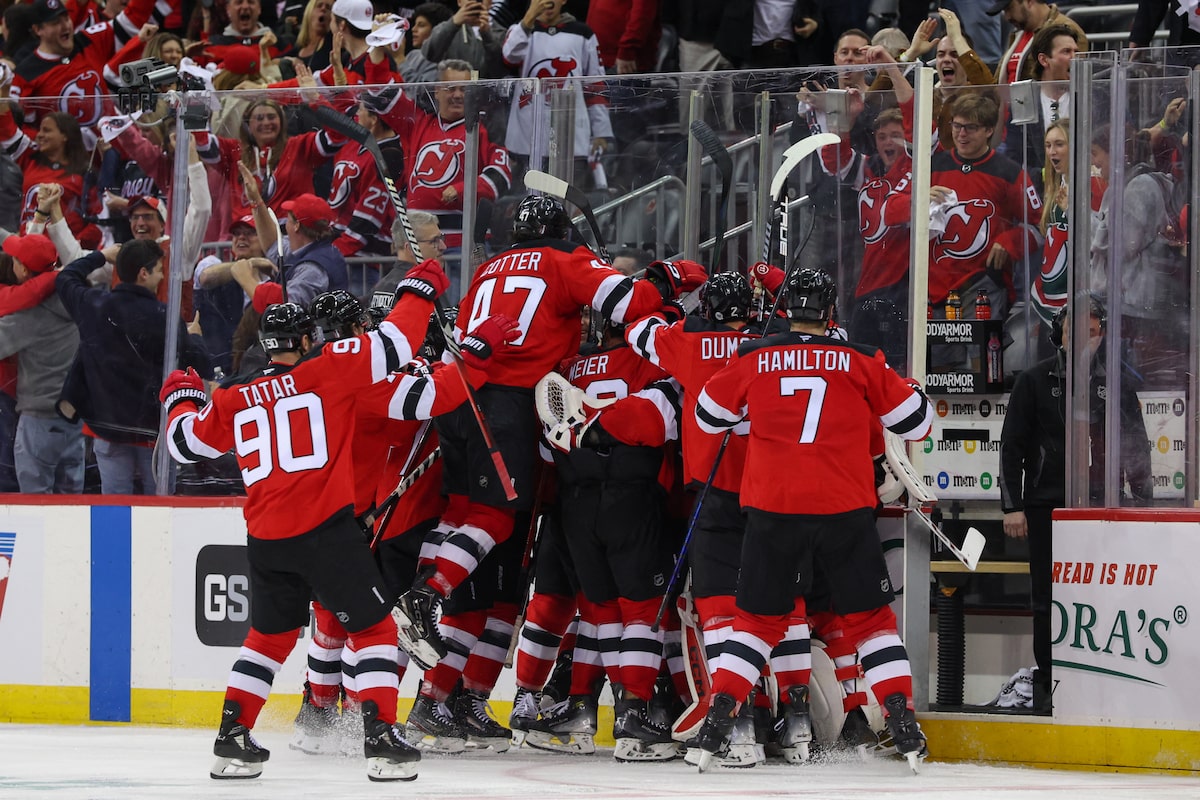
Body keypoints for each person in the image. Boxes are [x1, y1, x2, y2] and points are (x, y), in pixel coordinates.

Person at [160, 259, 449, 781]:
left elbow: (185, 444)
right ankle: (382, 740)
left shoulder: (232, 394)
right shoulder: (329, 368)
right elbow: (396, 343)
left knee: (267, 639)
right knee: (376, 629)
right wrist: (420, 289)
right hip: (326, 533)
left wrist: (180, 394)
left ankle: (232, 740)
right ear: (308, 338)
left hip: (267, 539)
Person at [391, 194, 701, 673]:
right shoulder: (565, 260)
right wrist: (667, 277)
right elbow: (629, 303)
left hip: (456, 393)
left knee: (458, 512)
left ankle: (423, 598)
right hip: (506, 403)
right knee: (495, 518)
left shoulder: (487, 270)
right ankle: (426, 595)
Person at [691, 268, 933, 772]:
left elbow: (707, 416)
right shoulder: (862, 360)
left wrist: (751, 413)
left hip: (772, 509)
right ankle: (901, 717)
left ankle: (718, 719)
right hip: (843, 509)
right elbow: (918, 423)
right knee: (870, 622)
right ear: (830, 314)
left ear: (784, 311)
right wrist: (908, 390)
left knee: (756, 623)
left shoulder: (755, 356)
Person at [999, 296, 1152, 713]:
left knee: (1104, 596)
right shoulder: (1032, 381)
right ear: (1059, 335)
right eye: (1075, 329)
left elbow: (1136, 444)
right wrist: (1012, 506)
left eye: (1093, 328)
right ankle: (1049, 684)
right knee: (1046, 599)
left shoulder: (1119, 380)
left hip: (1104, 508)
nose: (1085, 336)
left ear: (1104, 334)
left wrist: (1142, 502)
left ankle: (1104, 682)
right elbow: (1010, 447)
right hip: (1046, 506)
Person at [55, 239, 211, 495]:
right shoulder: (165, 315)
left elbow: (66, 277)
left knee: (115, 511)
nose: (162, 275)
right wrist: (194, 337)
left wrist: (102, 255)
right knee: (158, 511)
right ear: (144, 273)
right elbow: (199, 365)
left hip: (107, 428)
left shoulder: (93, 303)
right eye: (160, 269)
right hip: (151, 432)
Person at [926, 94, 1041, 322]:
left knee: (983, 356)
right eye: (957, 125)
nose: (961, 134)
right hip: (934, 285)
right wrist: (917, 200)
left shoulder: (1009, 172)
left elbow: (1039, 228)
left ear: (989, 130)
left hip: (984, 284)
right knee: (941, 357)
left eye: (970, 128)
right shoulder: (933, 166)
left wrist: (1011, 241)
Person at [0, 232, 83, 493]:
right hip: (75, 416)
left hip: (39, 420)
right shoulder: (77, 295)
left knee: (36, 507)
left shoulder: (29, 315)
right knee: (72, 504)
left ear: (23, 269)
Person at [502, 0, 612, 189]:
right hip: (526, 138)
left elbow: (595, 86)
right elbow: (509, 56)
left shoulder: (583, 34)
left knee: (567, 204)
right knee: (526, 205)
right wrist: (529, 18)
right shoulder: (520, 31)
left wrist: (601, 132)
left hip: (571, 136)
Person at [987, 0, 1087, 86]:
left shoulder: (1066, 31)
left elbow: (1073, 80)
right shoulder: (1019, 34)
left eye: (1009, 8)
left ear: (1029, 1)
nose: (1007, 17)